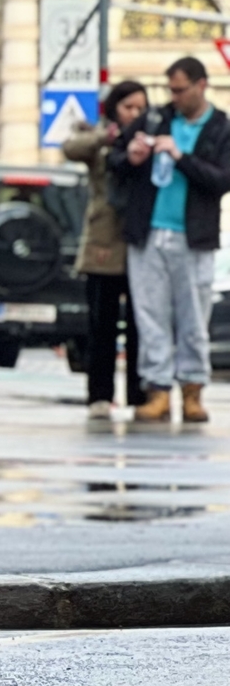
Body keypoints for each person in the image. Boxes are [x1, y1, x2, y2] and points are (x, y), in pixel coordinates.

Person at [112, 54, 230, 423]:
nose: (174, 97)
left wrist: (180, 156)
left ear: (200, 86)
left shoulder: (221, 128)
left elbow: (221, 181)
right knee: (150, 315)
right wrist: (131, 155)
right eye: (171, 90)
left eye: (180, 90)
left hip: (193, 236)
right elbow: (113, 160)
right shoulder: (156, 117)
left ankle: (193, 390)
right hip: (148, 232)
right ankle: (158, 389)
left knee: (193, 316)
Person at [65, 80, 149, 419]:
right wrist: (106, 136)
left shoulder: (149, 138)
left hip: (142, 244)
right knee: (101, 326)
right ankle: (99, 396)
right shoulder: (102, 140)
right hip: (103, 243)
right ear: (114, 108)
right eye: (129, 107)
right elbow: (71, 147)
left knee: (141, 327)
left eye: (141, 108)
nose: (135, 114)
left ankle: (138, 394)